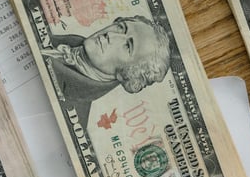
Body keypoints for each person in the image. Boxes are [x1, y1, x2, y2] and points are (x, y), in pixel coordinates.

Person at [43, 15, 172, 126]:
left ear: (128, 73)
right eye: (121, 27)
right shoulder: (53, 38)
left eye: (128, 46)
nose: (111, 35)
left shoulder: (70, 116)